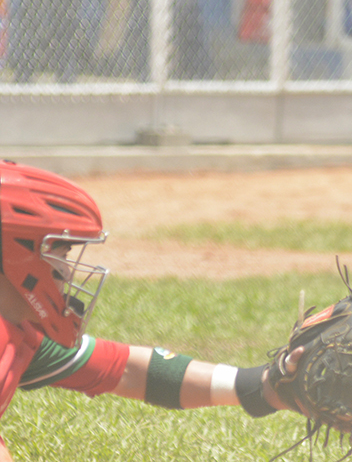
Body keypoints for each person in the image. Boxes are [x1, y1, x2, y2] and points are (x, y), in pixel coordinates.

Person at [0, 160, 303, 460]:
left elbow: (129, 370)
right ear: (13, 253)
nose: (68, 272)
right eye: (59, 253)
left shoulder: (20, 334)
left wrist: (261, 386)